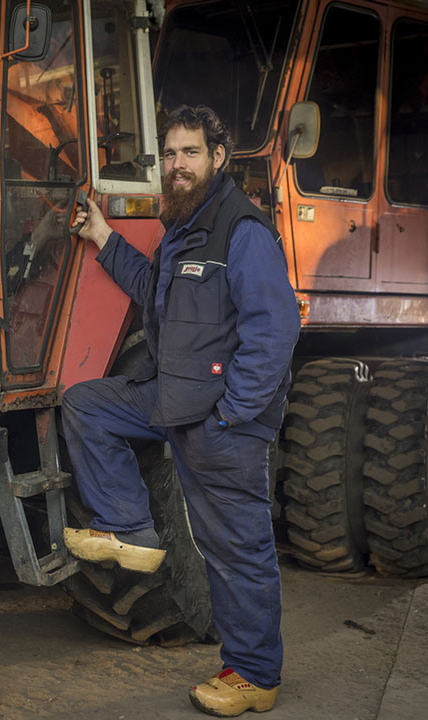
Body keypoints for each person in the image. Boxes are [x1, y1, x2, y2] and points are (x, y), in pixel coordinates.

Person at [61, 105, 300, 717]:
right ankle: (130, 526)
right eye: (168, 155)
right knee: (87, 405)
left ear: (218, 158)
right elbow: (152, 294)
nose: (176, 165)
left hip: (219, 422)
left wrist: (230, 416)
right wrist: (103, 239)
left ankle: (255, 675)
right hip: (169, 400)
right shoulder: (183, 230)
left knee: (236, 549)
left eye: (189, 153)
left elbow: (274, 332)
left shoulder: (242, 233)